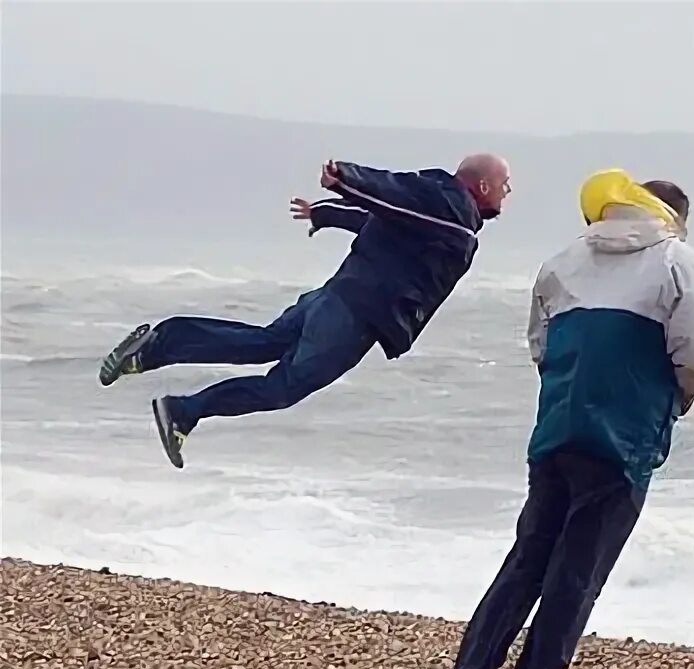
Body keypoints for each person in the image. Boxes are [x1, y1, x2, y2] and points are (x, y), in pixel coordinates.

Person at [441, 168, 694, 669]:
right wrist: (675, 399)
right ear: (675, 219)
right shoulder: (676, 259)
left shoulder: (563, 260)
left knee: (528, 560)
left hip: (558, 427)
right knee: (578, 572)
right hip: (624, 437)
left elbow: (540, 346)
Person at [98, 155, 511, 468]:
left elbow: (387, 215)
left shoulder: (439, 212)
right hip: (355, 317)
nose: (507, 192)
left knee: (264, 342)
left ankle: (154, 348)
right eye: (504, 184)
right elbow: (392, 195)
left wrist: (326, 212)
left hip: (336, 297)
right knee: (282, 388)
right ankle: (183, 410)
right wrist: (346, 179)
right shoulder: (453, 214)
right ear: (482, 186)